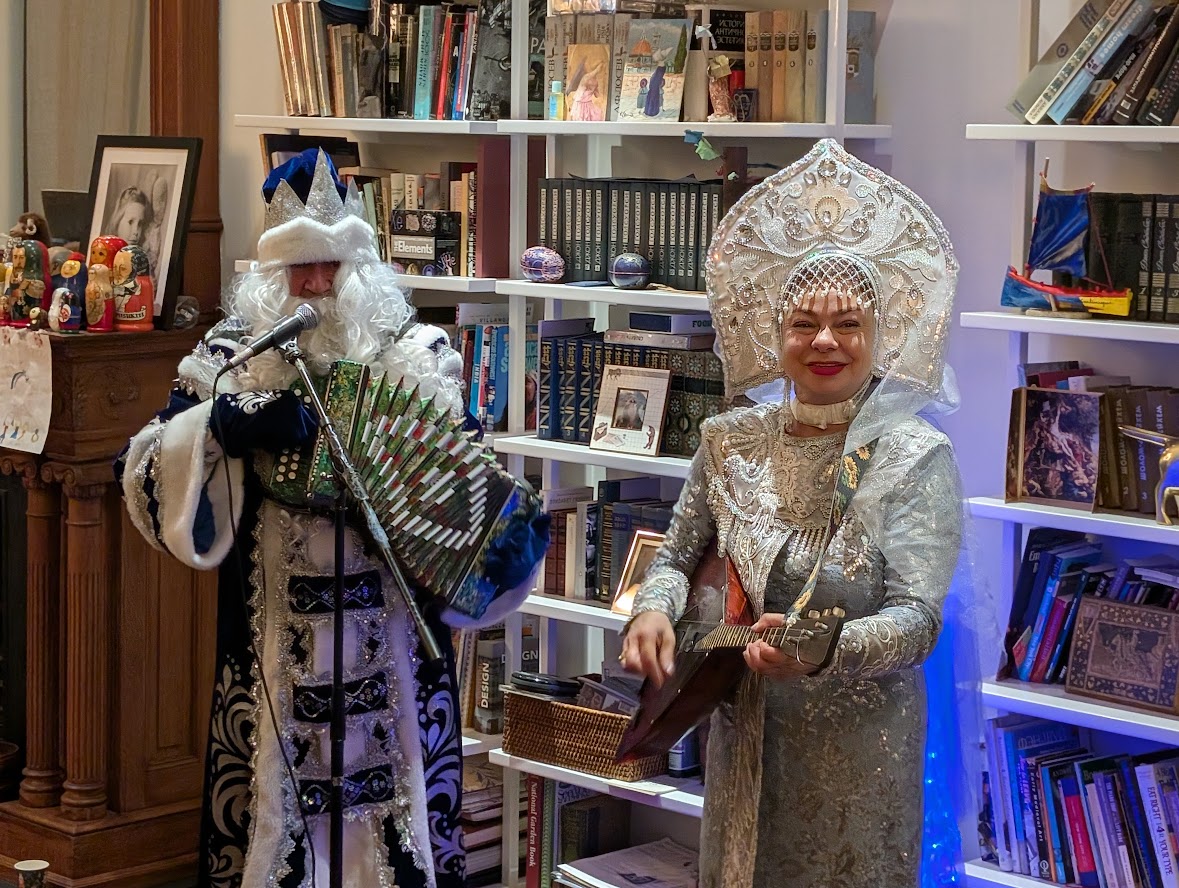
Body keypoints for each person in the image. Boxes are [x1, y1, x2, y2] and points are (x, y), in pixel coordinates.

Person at [116, 149, 549, 888]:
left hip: (396, 661)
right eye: (299, 269)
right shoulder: (228, 361)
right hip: (273, 661)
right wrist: (221, 426)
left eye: (330, 266)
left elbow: (472, 486)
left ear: (358, 268)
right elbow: (143, 475)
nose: (317, 284)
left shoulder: (418, 357)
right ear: (271, 278)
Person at [619, 138, 969, 888]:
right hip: (743, 734)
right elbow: (677, 557)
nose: (824, 342)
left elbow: (917, 622)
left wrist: (823, 648)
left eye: (848, 324)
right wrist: (652, 609)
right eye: (803, 323)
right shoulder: (728, 441)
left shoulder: (914, 456)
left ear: (880, 336)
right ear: (772, 333)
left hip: (858, 754)